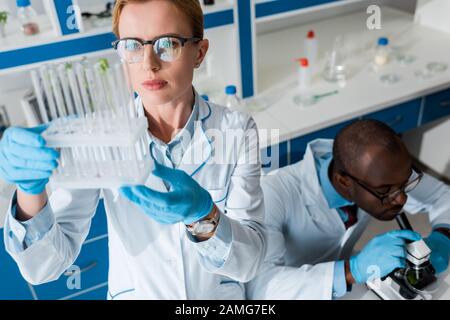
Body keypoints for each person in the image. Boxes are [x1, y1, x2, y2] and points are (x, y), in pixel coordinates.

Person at [0, 0, 265, 299]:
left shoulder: (237, 129)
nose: (148, 63)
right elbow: (44, 268)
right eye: (133, 46)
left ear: (199, 53)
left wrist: (204, 216)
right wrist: (29, 190)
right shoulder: (100, 136)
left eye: (168, 44)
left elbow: (250, 262)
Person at [246, 119, 450, 299]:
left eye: (404, 185)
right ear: (343, 181)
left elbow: (444, 196)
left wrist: (443, 237)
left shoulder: (381, 173)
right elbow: (259, 288)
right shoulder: (272, 194)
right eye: (386, 191)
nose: (401, 198)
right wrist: (351, 270)